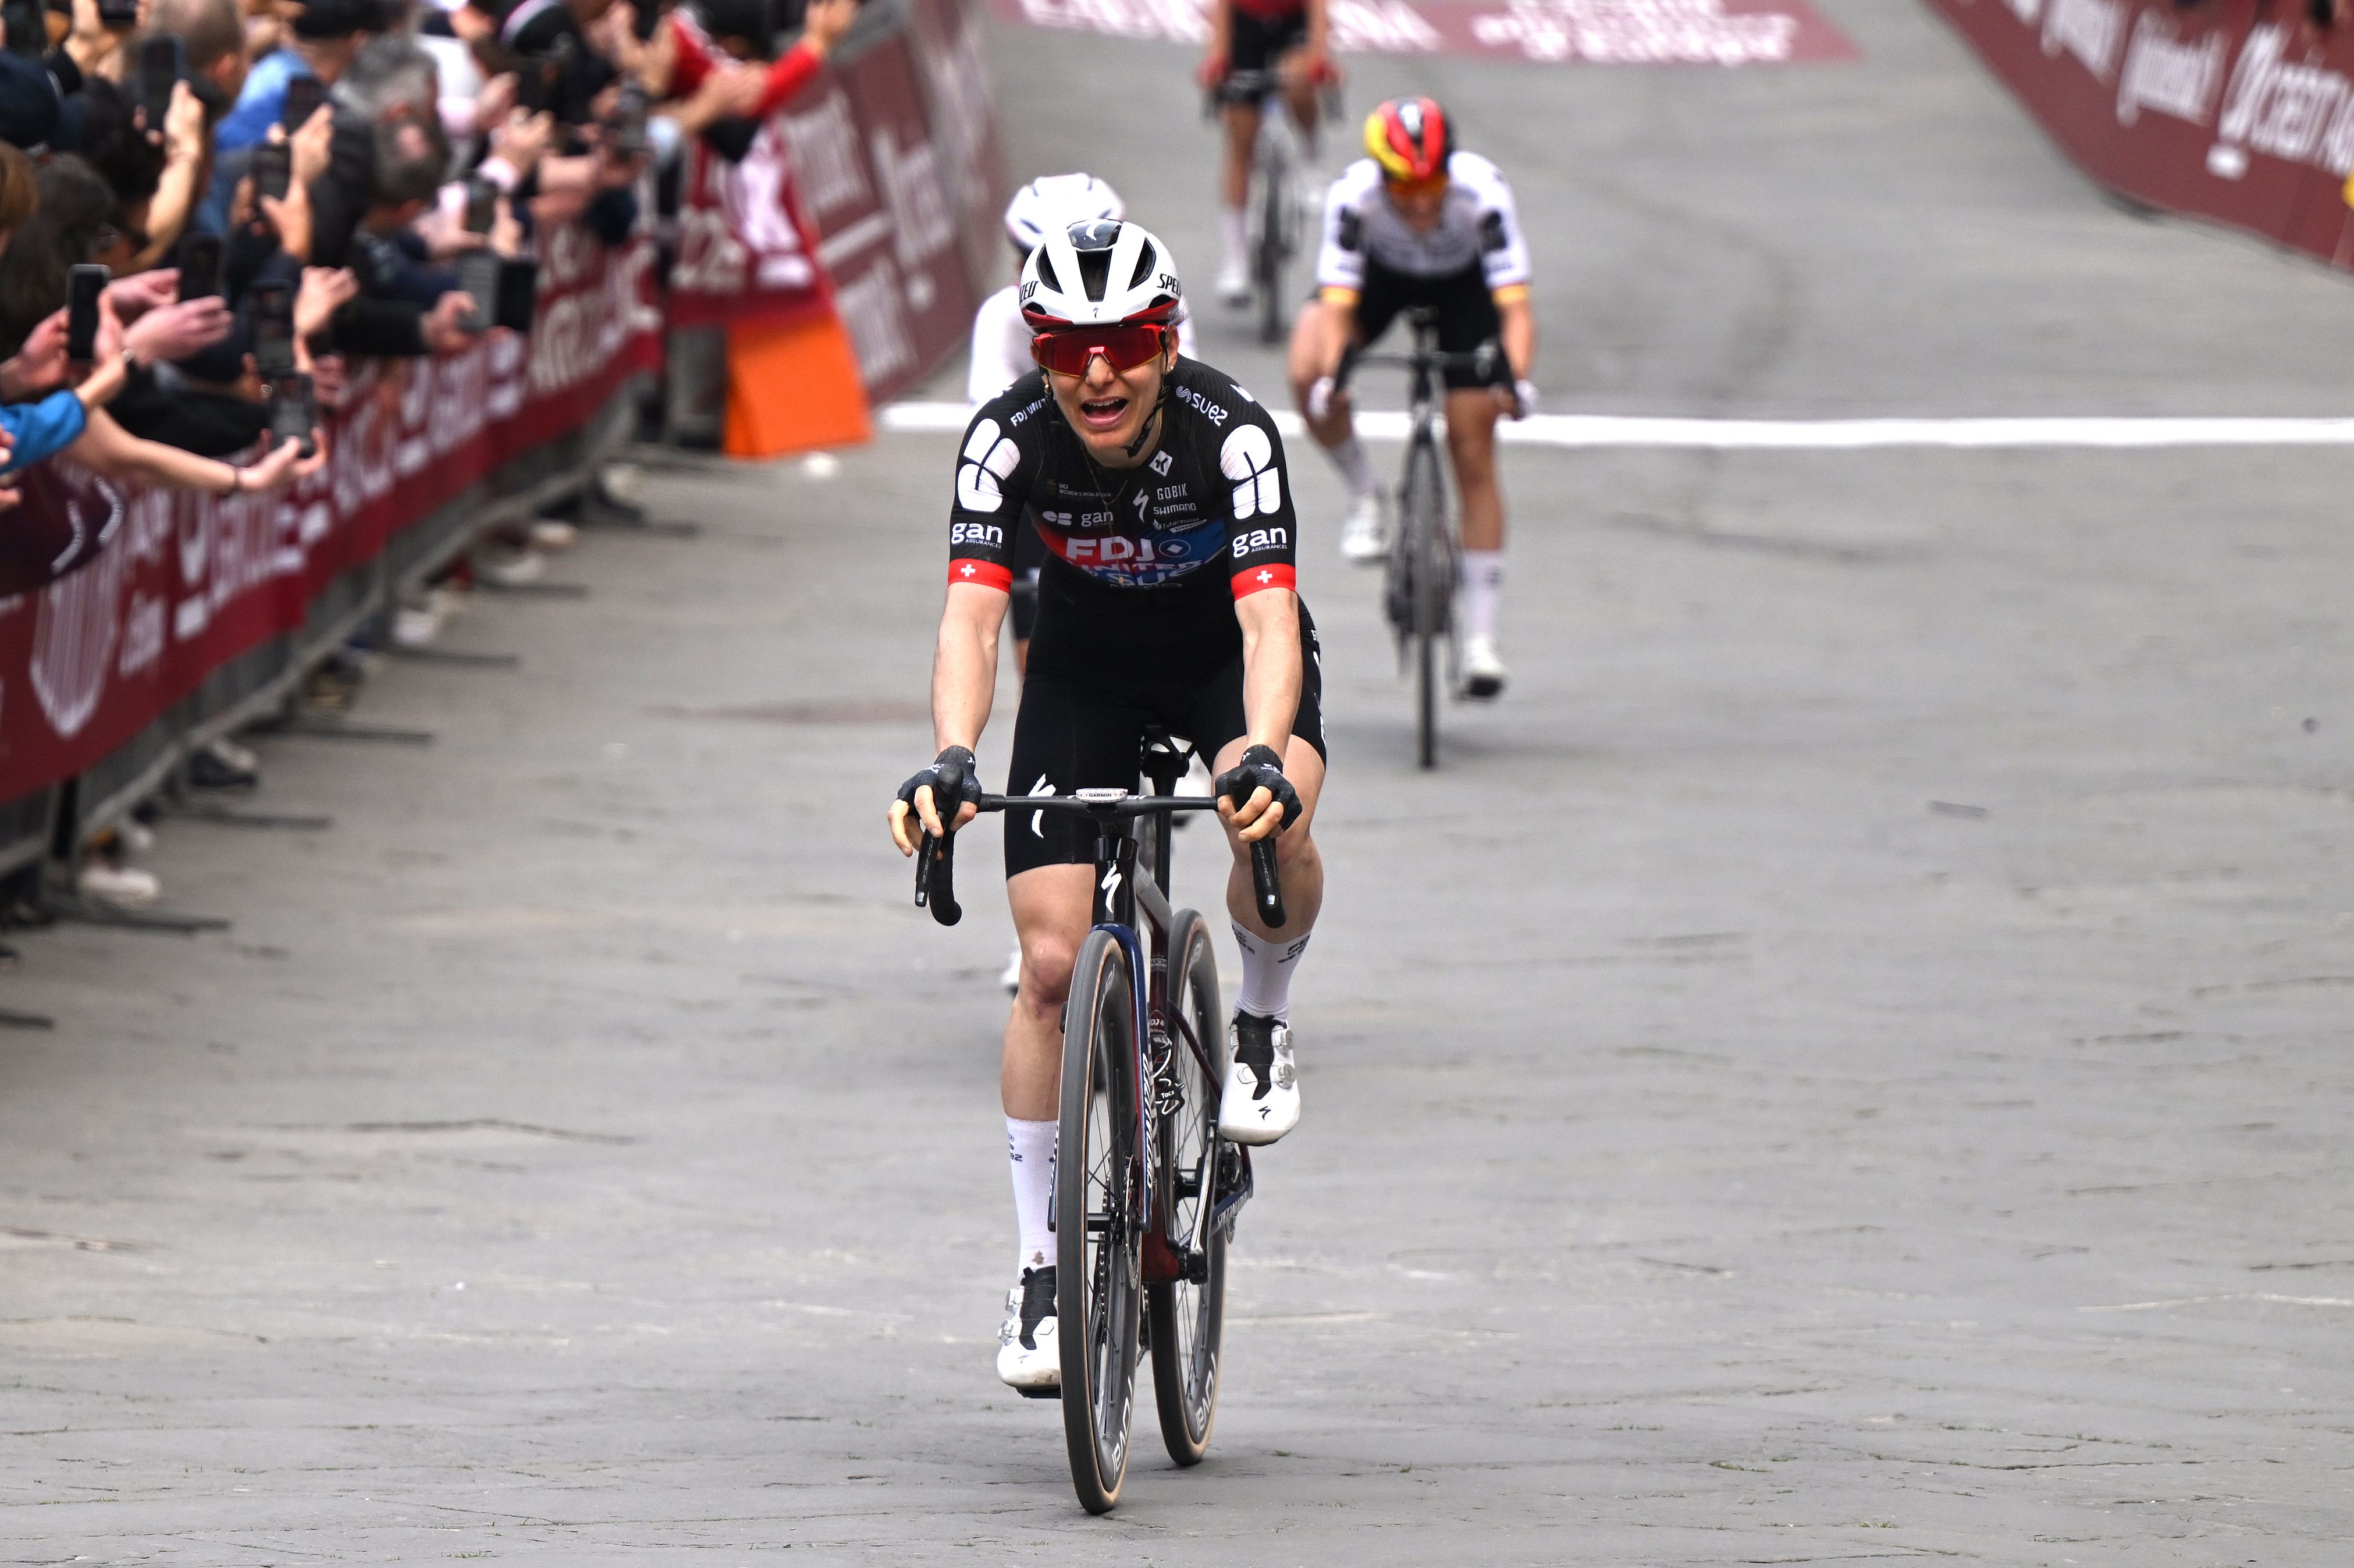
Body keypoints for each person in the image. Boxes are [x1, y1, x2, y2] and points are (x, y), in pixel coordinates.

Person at [890, 219, 1326, 1392]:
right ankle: (1040, 1270)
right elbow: (972, 618)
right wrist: (948, 753)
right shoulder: (1005, 438)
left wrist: (1267, 754)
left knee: (1268, 816)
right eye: (1065, 343)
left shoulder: (1230, 432)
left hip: (1216, 656)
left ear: (1167, 338)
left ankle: (1261, 1021)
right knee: (1046, 968)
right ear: (1034, 347)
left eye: (1126, 342)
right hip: (1081, 667)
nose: (1096, 372)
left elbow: (1269, 620)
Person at [1290, 96, 1537, 699]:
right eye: (1405, 185)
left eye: (1431, 181)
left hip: (1463, 290)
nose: (1422, 199)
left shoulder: (1482, 194)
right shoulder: (1355, 199)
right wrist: (1331, 376)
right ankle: (1364, 495)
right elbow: (1338, 308)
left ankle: (1480, 640)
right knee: (1303, 367)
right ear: (1382, 176)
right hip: (1381, 280)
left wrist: (1515, 379)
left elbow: (1513, 307)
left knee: (1472, 439)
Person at [1197, 0, 1331, 304]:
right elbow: (1223, 7)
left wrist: (1320, 58)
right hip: (1247, 23)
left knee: (1299, 82)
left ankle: (1312, 162)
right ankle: (1235, 261)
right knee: (1241, 140)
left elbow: (1318, 6)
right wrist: (1218, 57)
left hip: (1292, 22)